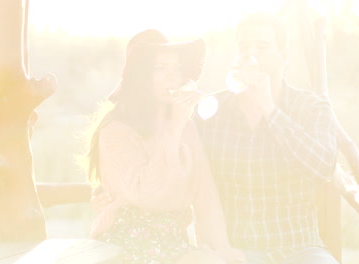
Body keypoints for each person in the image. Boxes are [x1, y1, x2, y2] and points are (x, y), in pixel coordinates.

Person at [93, 13, 339, 264]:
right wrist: (109, 189)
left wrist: (269, 109)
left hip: (299, 248)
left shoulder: (312, 108)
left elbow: (322, 167)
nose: (251, 56)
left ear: (283, 57)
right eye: (244, 47)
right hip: (236, 248)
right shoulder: (210, 111)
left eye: (262, 47)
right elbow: (164, 170)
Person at [84, 29, 245, 264]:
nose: (172, 77)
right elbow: (149, 195)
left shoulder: (184, 124)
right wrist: (175, 127)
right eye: (161, 68)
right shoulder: (115, 130)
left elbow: (205, 194)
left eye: (177, 68)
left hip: (172, 244)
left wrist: (222, 249)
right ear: (141, 76)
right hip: (123, 246)